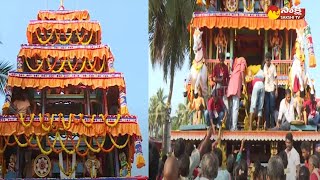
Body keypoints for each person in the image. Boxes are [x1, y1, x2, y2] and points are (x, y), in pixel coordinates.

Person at [227, 57, 247, 131]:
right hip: (236, 85)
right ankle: (234, 127)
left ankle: (229, 126)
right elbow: (242, 71)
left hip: (231, 84)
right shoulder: (243, 61)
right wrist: (244, 84)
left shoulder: (235, 66)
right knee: (235, 107)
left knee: (231, 107)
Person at [263, 52, 278, 129]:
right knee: (267, 108)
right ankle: (268, 125)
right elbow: (264, 78)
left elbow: (276, 78)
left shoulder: (273, 67)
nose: (267, 61)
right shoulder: (264, 66)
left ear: (270, 60)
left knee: (272, 107)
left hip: (272, 89)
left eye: (268, 60)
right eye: (266, 60)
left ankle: (272, 125)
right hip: (266, 89)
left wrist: (276, 90)